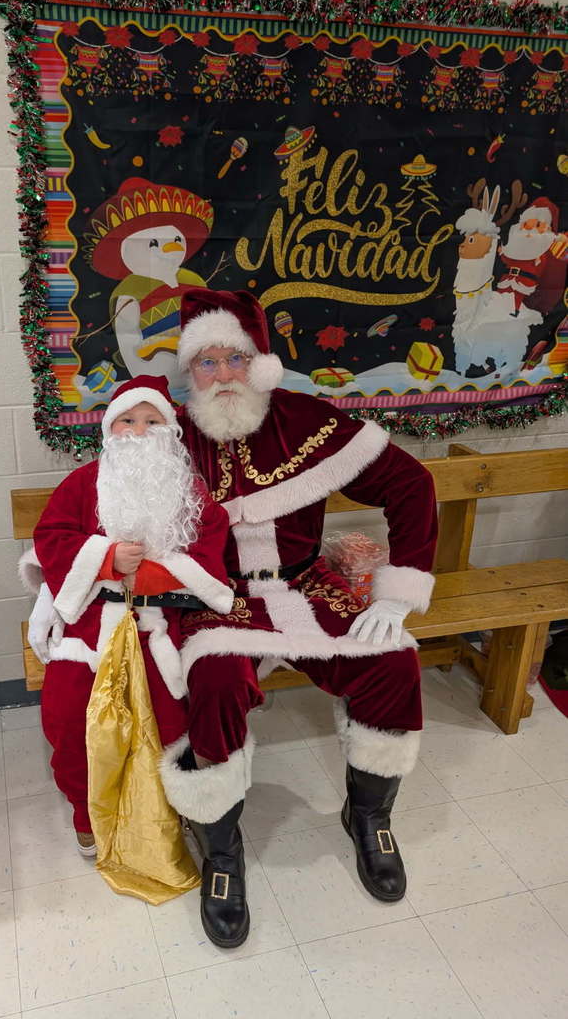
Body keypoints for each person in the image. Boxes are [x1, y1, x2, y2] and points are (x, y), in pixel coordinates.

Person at [26, 289, 438, 950]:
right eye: (205, 361)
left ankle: (368, 817)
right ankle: (221, 848)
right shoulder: (165, 431)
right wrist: (57, 590)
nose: (221, 374)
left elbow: (410, 484)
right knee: (213, 681)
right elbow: (101, 499)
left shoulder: (307, 421)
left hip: (305, 584)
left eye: (234, 358)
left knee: (392, 661)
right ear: (188, 373)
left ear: (260, 362)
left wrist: (395, 594)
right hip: (212, 596)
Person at [19, 374, 233, 857]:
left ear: (170, 430)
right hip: (90, 625)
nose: (138, 431)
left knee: (166, 717)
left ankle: (160, 802)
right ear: (108, 430)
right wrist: (105, 558)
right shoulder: (81, 484)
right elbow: (50, 538)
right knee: (70, 713)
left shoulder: (190, 492)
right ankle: (85, 807)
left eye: (151, 420)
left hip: (159, 625)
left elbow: (211, 551)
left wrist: (162, 574)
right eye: (126, 421)